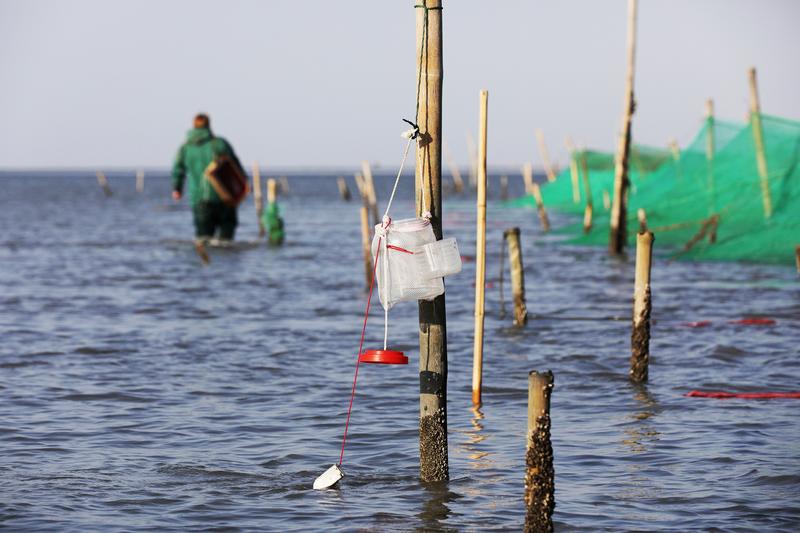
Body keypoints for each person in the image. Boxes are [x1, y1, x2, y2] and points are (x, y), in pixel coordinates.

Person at [171, 113, 245, 243]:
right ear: (208, 125)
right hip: (225, 197)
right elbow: (236, 167)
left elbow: (178, 170)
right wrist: (243, 184)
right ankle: (226, 263)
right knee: (226, 240)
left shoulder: (185, 149)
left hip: (200, 199)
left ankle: (206, 262)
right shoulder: (220, 144)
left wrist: (177, 188)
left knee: (203, 240)